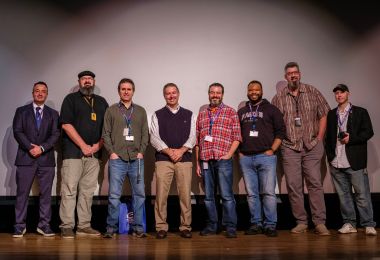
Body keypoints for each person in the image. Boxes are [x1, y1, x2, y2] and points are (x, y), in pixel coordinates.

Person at [272, 62, 331, 235]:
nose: (293, 75)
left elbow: (324, 114)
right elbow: (276, 124)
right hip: (290, 147)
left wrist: (319, 137)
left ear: (300, 74)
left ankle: (319, 222)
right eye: (289, 73)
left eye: (295, 72)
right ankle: (301, 222)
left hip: (312, 145)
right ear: (286, 77)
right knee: (294, 186)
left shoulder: (313, 91)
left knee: (315, 184)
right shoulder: (279, 97)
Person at [59, 70, 109, 238]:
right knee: (69, 190)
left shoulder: (101, 102)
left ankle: (84, 226)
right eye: (84, 79)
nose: (87, 81)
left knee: (87, 192)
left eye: (90, 79)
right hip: (74, 153)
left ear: (94, 81)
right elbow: (66, 125)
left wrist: (96, 146)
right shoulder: (70, 99)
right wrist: (83, 146)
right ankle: (66, 225)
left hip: (94, 155)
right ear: (79, 82)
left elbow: (107, 129)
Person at [325, 84, 377, 236]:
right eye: (337, 93)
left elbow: (369, 132)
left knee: (362, 194)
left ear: (348, 94)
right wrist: (330, 157)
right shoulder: (331, 114)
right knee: (343, 196)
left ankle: (368, 224)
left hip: (354, 161)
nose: (339, 95)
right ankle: (349, 223)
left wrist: (351, 138)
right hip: (336, 161)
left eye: (342, 92)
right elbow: (328, 138)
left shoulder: (360, 112)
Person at [12, 81, 60, 237]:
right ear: (33, 93)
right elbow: (17, 131)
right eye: (37, 91)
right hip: (26, 158)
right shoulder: (21, 111)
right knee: (22, 193)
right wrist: (30, 147)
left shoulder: (53, 114)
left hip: (46, 160)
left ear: (47, 94)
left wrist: (42, 148)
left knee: (46, 195)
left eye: (43, 91)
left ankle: (44, 225)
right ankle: (19, 225)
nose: (40, 93)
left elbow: (55, 134)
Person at [238, 80, 286, 237]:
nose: (253, 92)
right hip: (246, 158)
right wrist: (240, 152)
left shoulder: (272, 109)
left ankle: (270, 225)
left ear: (262, 91)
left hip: (266, 156)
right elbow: (236, 134)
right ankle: (256, 223)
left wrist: (272, 149)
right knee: (252, 194)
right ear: (247, 91)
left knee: (268, 192)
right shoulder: (242, 111)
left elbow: (280, 131)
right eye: (251, 89)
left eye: (256, 89)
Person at [102, 78, 149, 238]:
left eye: (129, 89)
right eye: (123, 89)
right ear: (119, 91)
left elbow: (145, 134)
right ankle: (111, 228)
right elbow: (106, 134)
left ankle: (138, 228)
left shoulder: (141, 111)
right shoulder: (111, 110)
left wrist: (142, 151)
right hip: (118, 159)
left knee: (139, 194)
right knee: (114, 195)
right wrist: (111, 153)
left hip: (137, 159)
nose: (126, 92)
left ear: (133, 91)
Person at [195, 82, 242, 238]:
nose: (215, 95)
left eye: (218, 93)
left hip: (223, 160)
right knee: (208, 197)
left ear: (222, 94)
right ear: (208, 94)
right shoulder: (202, 114)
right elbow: (197, 141)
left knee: (227, 195)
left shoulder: (231, 112)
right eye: (212, 92)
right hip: (206, 160)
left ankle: (230, 226)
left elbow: (237, 137)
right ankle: (212, 225)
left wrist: (228, 155)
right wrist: (198, 163)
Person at [150, 83, 196, 239]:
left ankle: (185, 226)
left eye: (174, 93)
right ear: (164, 95)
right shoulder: (157, 114)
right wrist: (170, 152)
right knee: (161, 195)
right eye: (168, 93)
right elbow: (154, 138)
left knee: (185, 195)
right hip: (164, 159)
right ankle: (161, 227)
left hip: (184, 159)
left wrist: (181, 150)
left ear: (178, 94)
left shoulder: (189, 114)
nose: (171, 96)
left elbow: (193, 136)